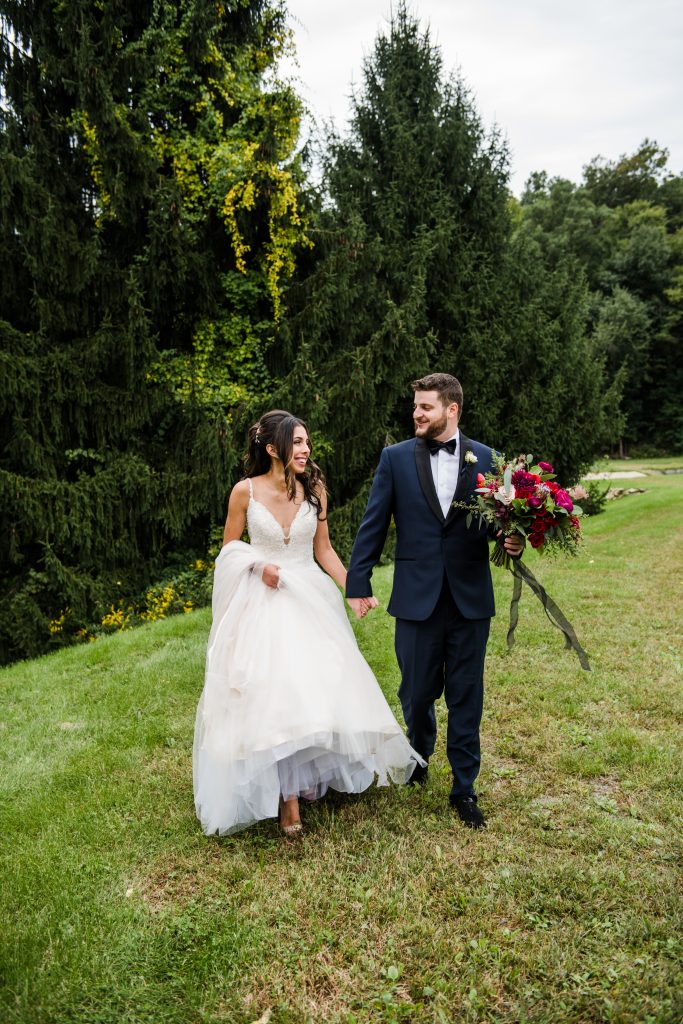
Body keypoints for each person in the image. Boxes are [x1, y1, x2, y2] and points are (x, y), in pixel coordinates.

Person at [193, 410, 423, 837]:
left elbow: (325, 550)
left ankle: (306, 777)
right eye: (297, 443)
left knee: (313, 686)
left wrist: (353, 588)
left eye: (306, 443)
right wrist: (258, 565)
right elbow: (228, 552)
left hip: (309, 597)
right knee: (271, 690)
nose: (305, 450)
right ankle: (287, 797)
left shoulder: (314, 490)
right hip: (262, 601)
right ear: (271, 449)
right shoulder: (243, 493)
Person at [345, 373, 523, 830]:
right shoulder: (395, 458)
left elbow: (498, 525)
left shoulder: (487, 460)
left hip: (469, 600)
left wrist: (512, 540)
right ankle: (418, 755)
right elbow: (374, 523)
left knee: (468, 697)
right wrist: (358, 580)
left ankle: (464, 788)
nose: (416, 414)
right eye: (416, 406)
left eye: (426, 407)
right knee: (416, 691)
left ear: (452, 410)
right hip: (416, 598)